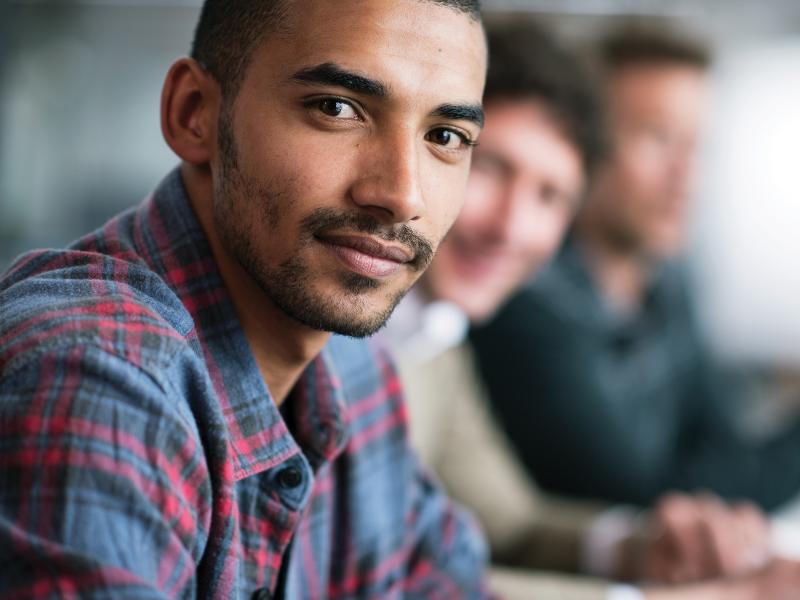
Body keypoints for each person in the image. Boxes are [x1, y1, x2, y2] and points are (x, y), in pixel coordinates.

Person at [0, 0, 492, 597]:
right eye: (337, 108)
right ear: (195, 113)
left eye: (445, 136)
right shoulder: (96, 379)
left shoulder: (356, 369)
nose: (402, 194)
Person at [383, 22, 800, 600]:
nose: (511, 227)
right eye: (494, 169)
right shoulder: (398, 322)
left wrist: (639, 545)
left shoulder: (436, 332)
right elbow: (383, 586)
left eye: (550, 195)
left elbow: (513, 523)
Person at [471, 24, 800, 512]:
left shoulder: (668, 280)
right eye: (656, 137)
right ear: (586, 146)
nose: (685, 175)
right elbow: (646, 505)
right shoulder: (517, 295)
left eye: (696, 144)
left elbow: (726, 451)